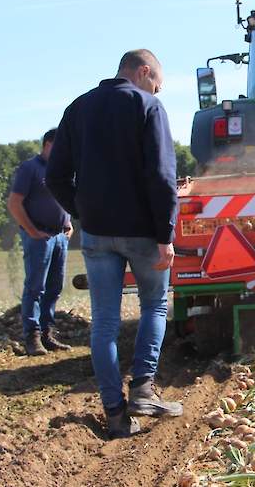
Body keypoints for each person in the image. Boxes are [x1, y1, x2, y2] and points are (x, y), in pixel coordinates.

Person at [46, 49, 182, 439]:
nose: (157, 90)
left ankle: (115, 415)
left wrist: (84, 212)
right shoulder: (148, 107)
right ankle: (143, 389)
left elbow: (55, 177)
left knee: (103, 323)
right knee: (154, 303)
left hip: (98, 234)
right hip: (143, 232)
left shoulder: (78, 108)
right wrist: (165, 235)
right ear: (144, 72)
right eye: (157, 83)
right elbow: (161, 176)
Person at [7, 128, 73, 357]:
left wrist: (69, 222)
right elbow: (14, 203)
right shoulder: (30, 169)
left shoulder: (63, 170)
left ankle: (47, 333)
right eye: (59, 146)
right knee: (36, 286)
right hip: (39, 237)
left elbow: (65, 197)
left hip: (59, 237)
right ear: (47, 145)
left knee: (54, 287)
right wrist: (32, 231)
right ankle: (32, 336)